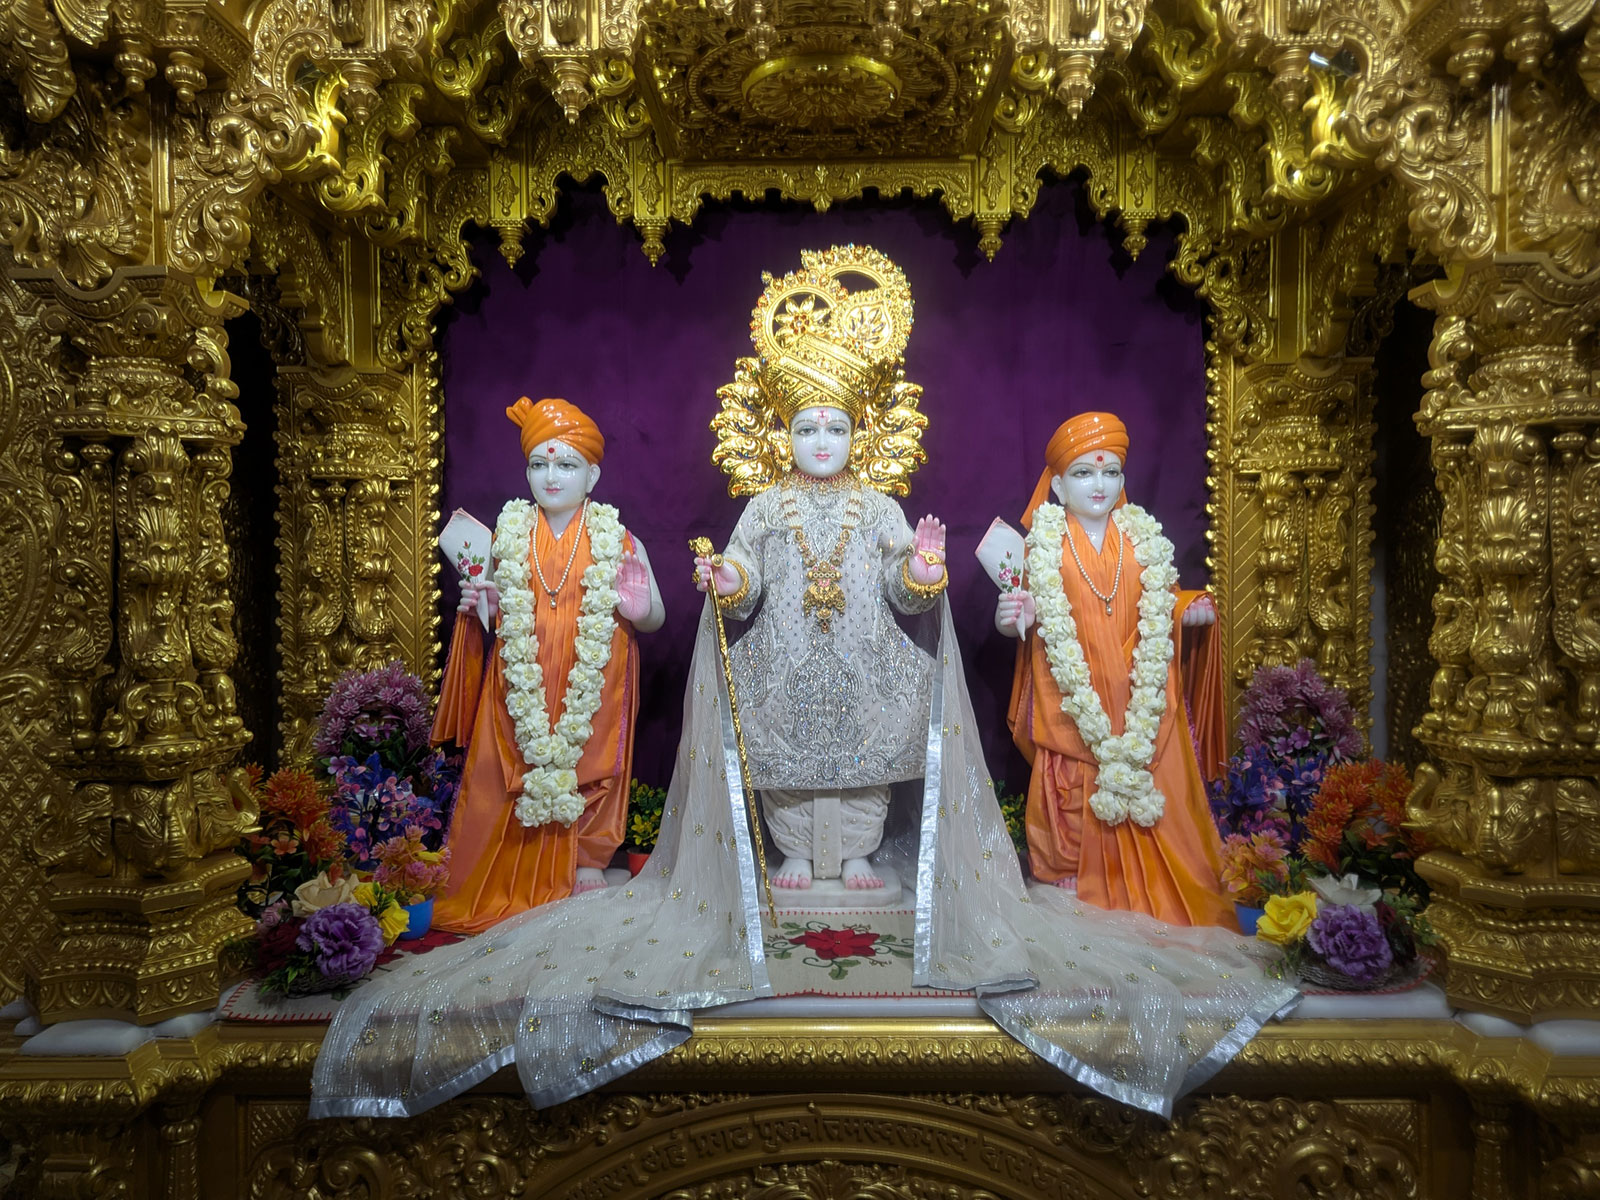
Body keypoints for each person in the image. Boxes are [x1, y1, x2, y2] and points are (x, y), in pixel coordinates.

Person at [430, 397, 663, 934]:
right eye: (539, 464)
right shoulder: (507, 535)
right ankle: (516, 852)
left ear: (593, 475)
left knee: (595, 756)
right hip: (523, 678)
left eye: (567, 465)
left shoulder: (620, 539)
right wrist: (481, 606)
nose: (552, 477)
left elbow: (655, 618)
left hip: (595, 676)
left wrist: (639, 608)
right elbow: (497, 615)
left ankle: (587, 858)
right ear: (526, 472)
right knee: (515, 752)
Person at [693, 402, 947, 892]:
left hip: (865, 658)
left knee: (866, 753)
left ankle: (859, 851)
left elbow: (901, 589)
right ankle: (793, 850)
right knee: (783, 750)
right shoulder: (766, 506)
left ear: (857, 437)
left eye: (837, 429)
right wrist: (728, 579)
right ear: (784, 438)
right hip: (784, 658)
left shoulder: (878, 507)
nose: (822, 441)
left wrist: (919, 571)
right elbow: (745, 575)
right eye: (807, 429)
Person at [997, 411, 1235, 928]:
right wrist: (1012, 616)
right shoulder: (1043, 546)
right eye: (1083, 473)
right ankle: (1071, 874)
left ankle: (1153, 879)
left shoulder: (1141, 539)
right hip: (1073, 698)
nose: (1098, 485)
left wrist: (1186, 610)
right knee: (1071, 781)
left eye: (1109, 472)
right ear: (1058, 486)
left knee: (1149, 768)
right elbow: (1025, 610)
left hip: (1136, 699)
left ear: (1123, 478)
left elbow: (1162, 602)